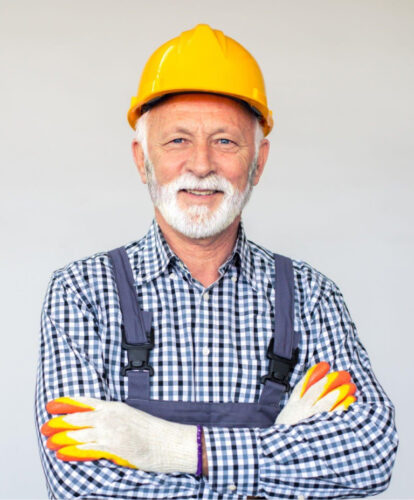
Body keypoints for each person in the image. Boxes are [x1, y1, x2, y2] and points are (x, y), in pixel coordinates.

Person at [35, 24, 398, 499]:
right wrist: (276, 458)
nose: (202, 164)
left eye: (225, 141)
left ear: (259, 162)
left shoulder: (311, 297)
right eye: (177, 141)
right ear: (142, 159)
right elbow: (83, 487)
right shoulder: (82, 293)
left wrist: (178, 449)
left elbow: (370, 453)